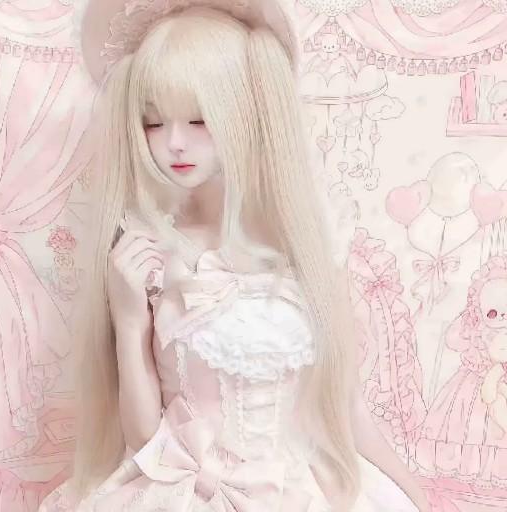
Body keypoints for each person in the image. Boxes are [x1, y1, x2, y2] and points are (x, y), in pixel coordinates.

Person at [39, 1, 430, 510]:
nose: (174, 143)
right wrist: (130, 319)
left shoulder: (305, 250)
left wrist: (415, 494)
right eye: (153, 123)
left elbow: (348, 407)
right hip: (186, 492)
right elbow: (144, 441)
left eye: (199, 120)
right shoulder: (149, 252)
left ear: (246, 115)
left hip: (296, 491)